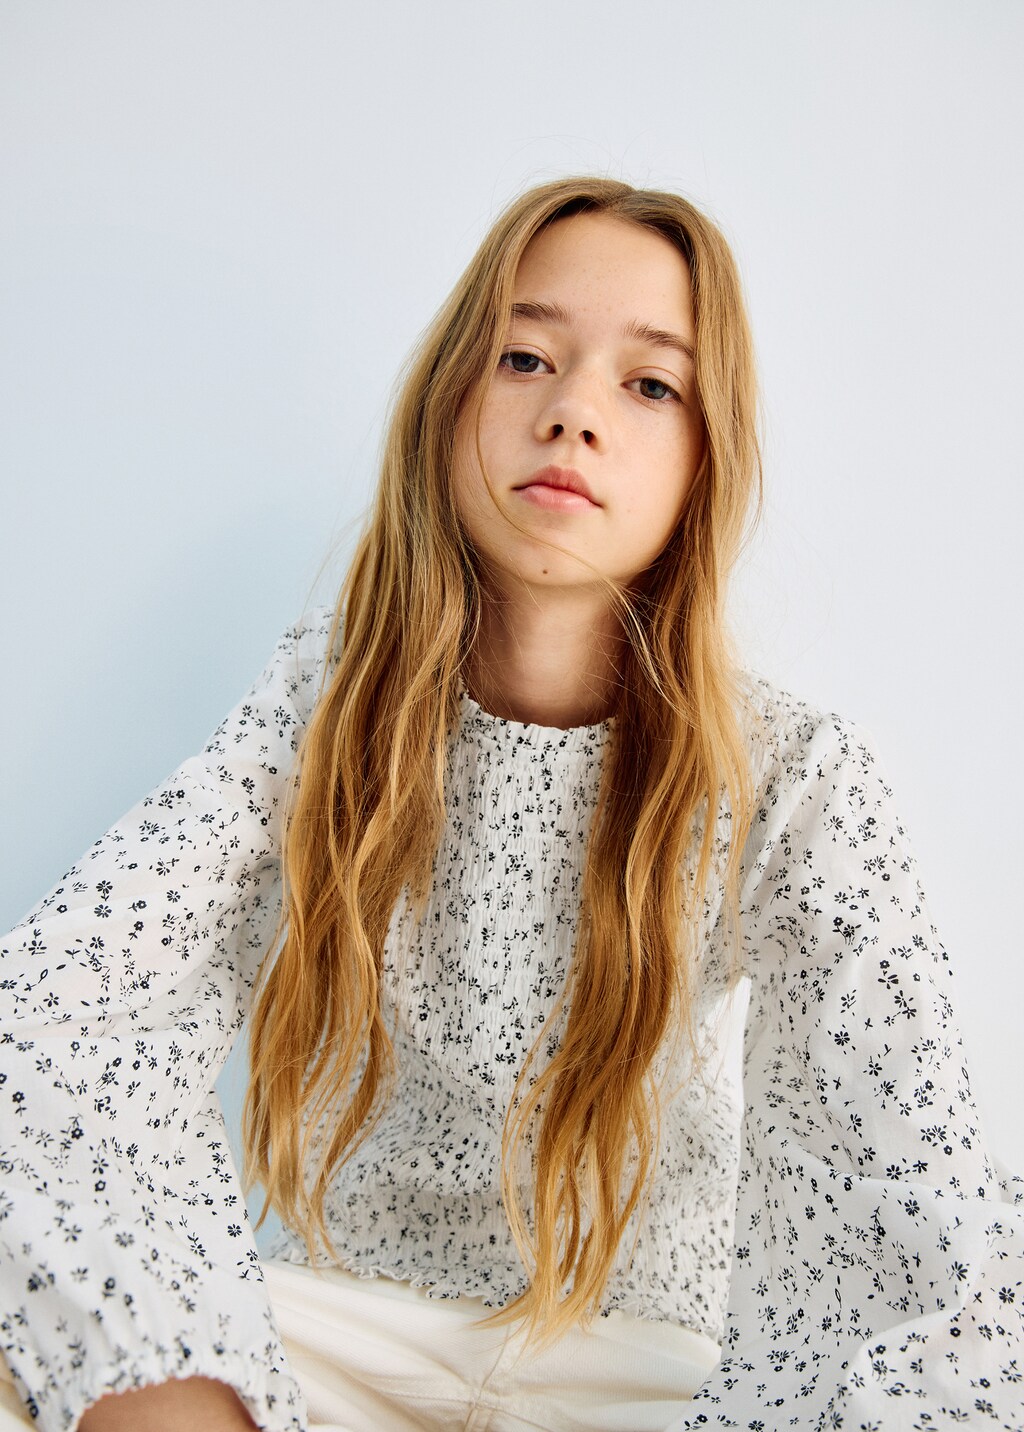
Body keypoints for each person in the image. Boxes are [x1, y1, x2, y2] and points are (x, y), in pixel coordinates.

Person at [1, 176, 1021, 1432]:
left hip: (642, 1369)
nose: (572, 413)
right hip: (341, 1333)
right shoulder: (324, 699)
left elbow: (909, 1196)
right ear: (448, 409)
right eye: (525, 357)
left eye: (650, 385)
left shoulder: (791, 774)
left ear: (704, 462)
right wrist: (162, 1385)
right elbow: (61, 1013)